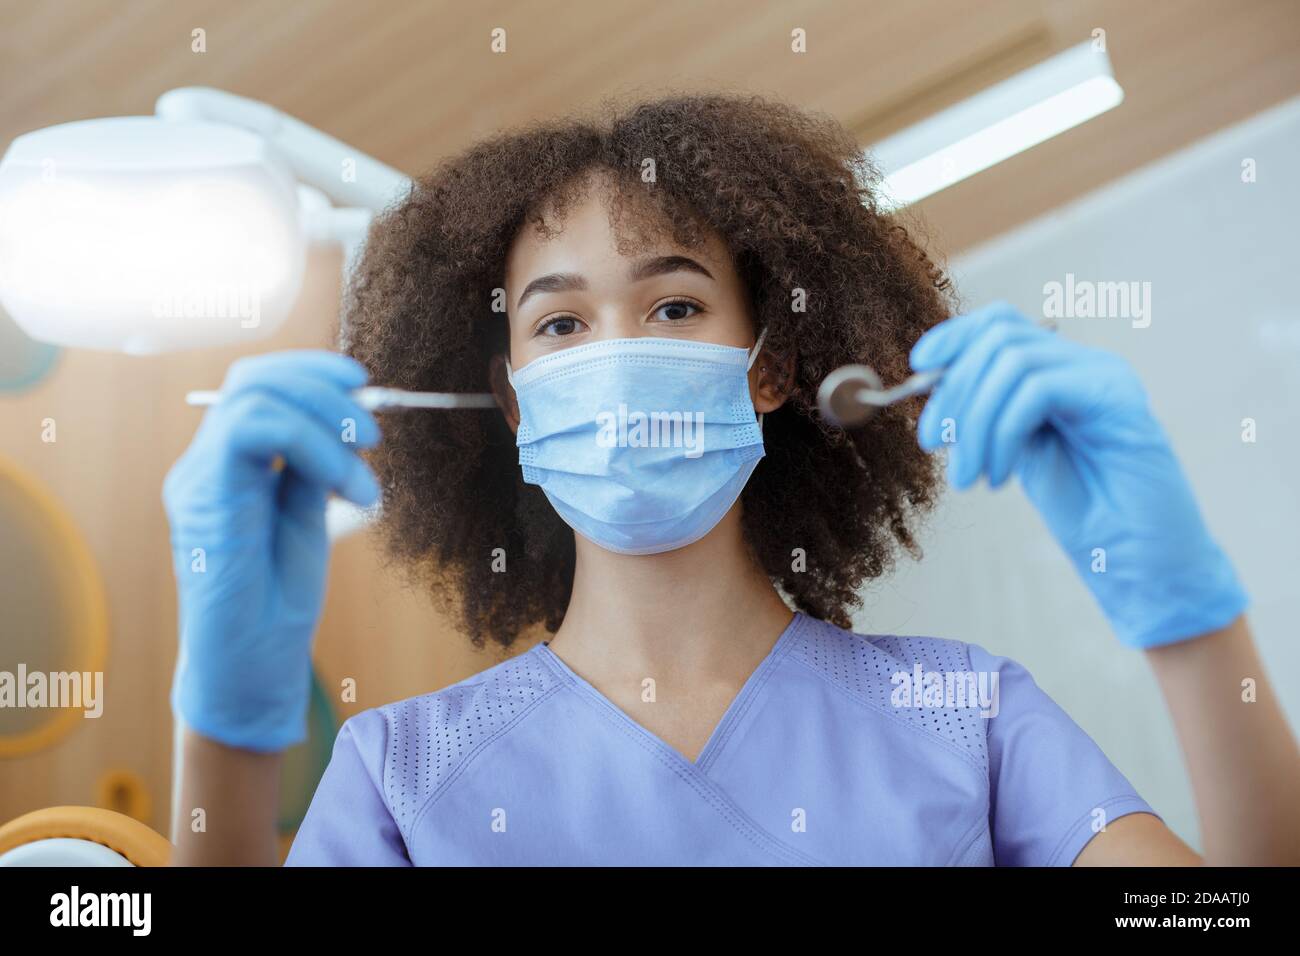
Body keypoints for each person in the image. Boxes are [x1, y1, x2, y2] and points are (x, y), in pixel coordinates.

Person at [164, 93, 1300, 866]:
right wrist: (222, 721)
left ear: (770, 364)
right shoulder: (400, 776)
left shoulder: (970, 717)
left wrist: (1192, 624)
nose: (615, 353)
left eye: (671, 306)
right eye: (560, 321)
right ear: (512, 401)